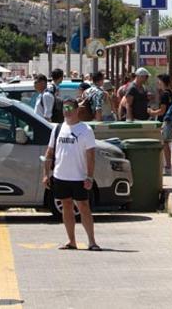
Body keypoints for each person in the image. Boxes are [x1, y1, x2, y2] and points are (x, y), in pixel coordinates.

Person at [45, 98, 100, 251]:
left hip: (79, 177)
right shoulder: (57, 129)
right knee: (66, 206)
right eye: (64, 108)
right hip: (60, 176)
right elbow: (49, 152)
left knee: (83, 206)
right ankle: (71, 241)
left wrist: (89, 176)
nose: (67, 111)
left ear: (77, 110)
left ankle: (92, 241)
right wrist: (46, 173)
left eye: (69, 108)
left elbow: (91, 155)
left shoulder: (85, 130)